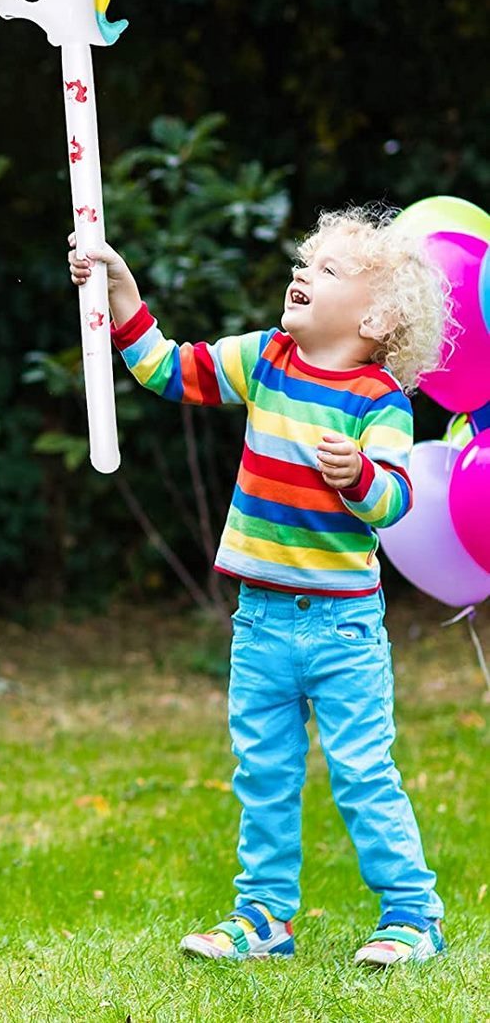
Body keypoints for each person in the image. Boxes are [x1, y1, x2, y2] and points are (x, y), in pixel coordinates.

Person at [69, 206, 451, 967]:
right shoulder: (267, 359)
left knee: (362, 774)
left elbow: (397, 500)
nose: (302, 273)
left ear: (374, 316)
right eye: (304, 262)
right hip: (262, 623)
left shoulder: (380, 401)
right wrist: (120, 291)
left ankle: (412, 916)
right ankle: (264, 919)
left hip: (343, 629)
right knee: (265, 775)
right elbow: (168, 368)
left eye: (326, 270)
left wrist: (359, 477)